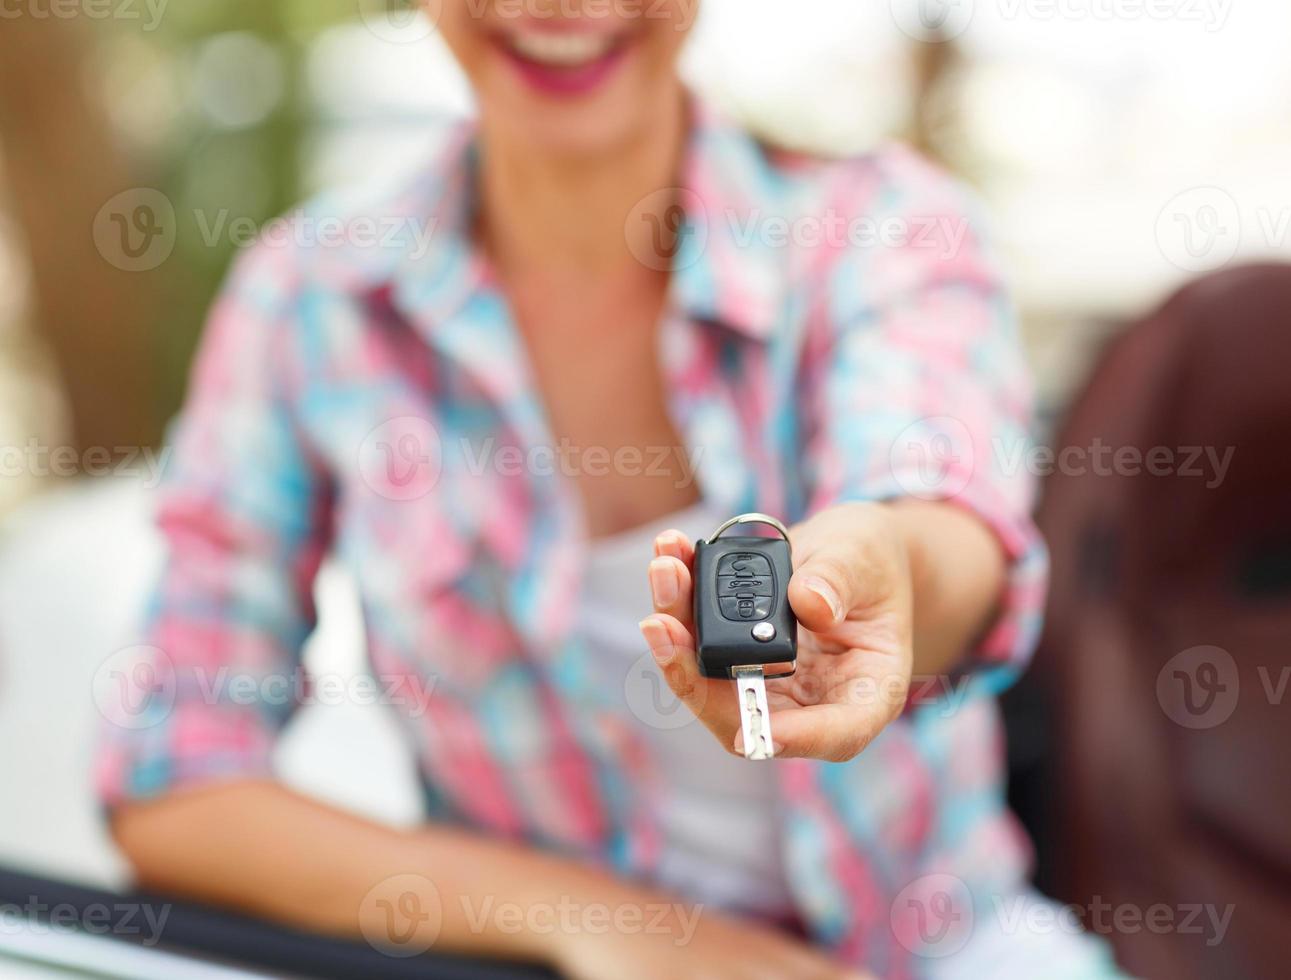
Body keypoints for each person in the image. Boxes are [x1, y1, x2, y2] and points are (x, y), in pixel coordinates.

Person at [97, 2, 1120, 976]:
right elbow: (172, 781)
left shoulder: (884, 230)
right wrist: (608, 926)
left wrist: (885, 568)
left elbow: (942, 513)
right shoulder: (307, 301)